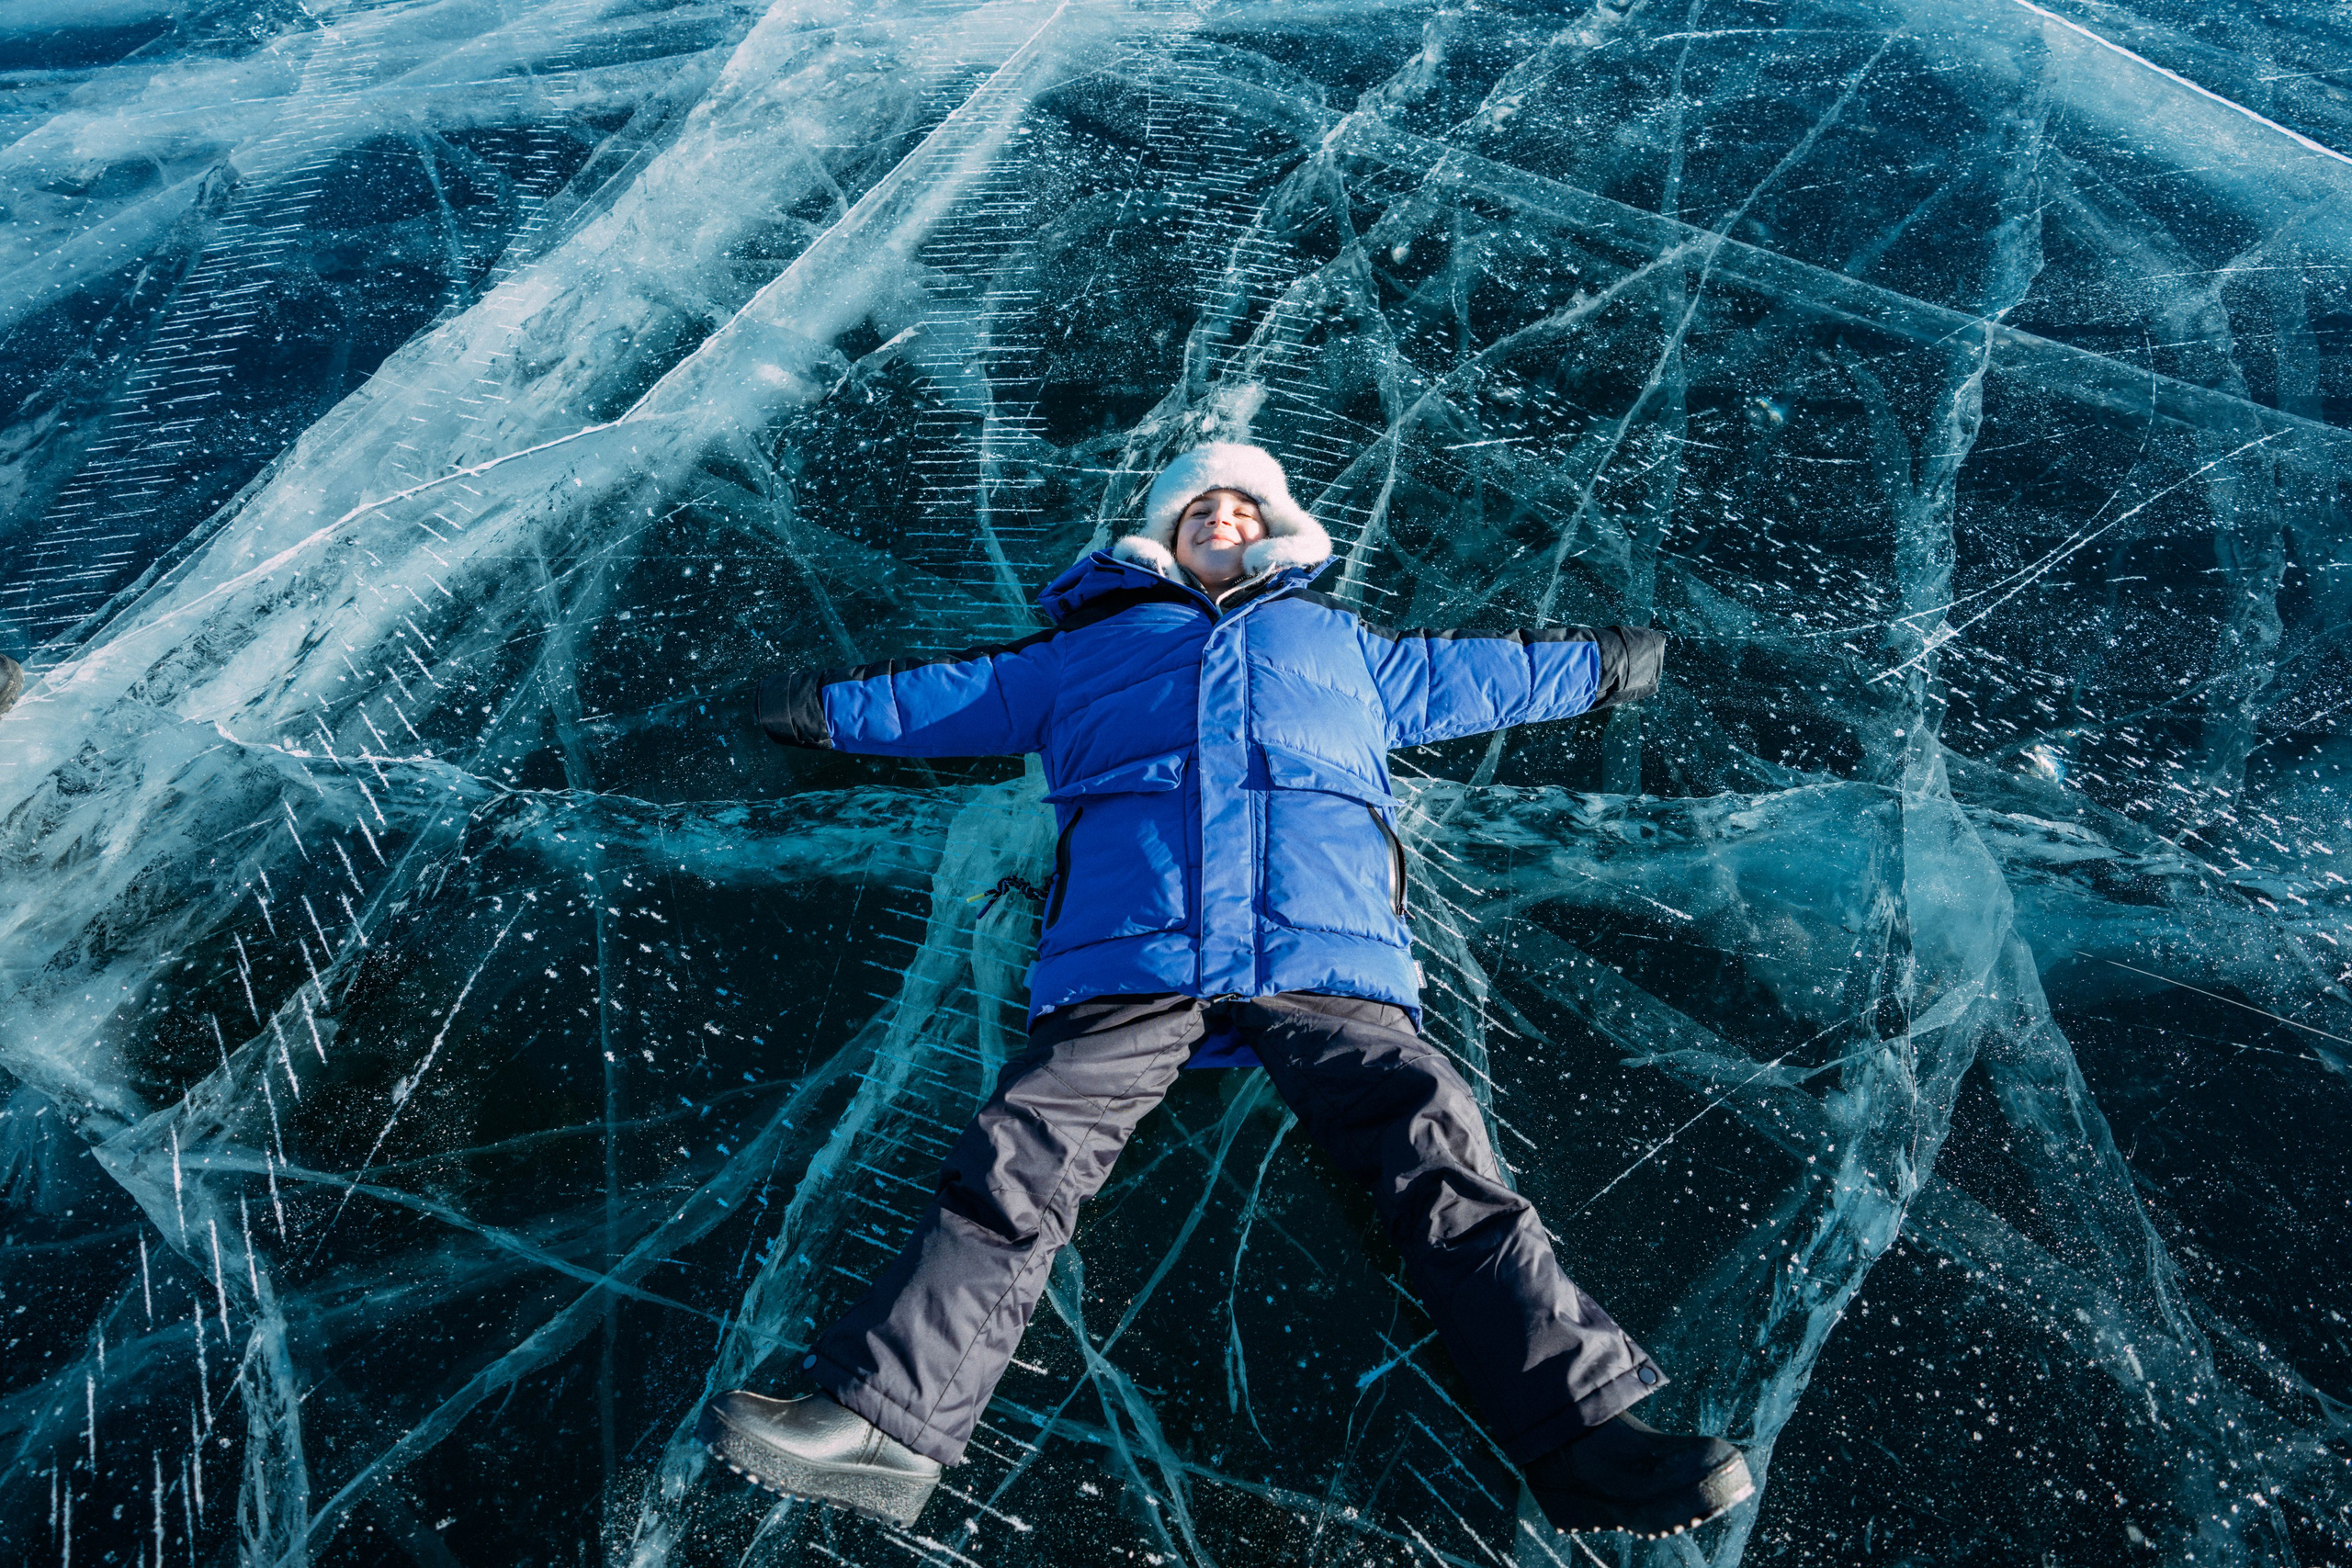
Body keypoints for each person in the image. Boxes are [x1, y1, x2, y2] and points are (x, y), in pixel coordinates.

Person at [702, 443, 1751, 1540]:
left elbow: (1486, 675)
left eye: (1243, 508)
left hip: (1323, 957)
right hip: (1132, 956)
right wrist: (811, 706)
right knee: (1018, 1159)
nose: (1221, 519)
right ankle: (884, 1424)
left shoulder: (1338, 644)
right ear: (1161, 535)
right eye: (1198, 507)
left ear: (1278, 533)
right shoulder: (1086, 653)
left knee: (1438, 1157)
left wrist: (1606, 663)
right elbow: (946, 698)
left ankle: (1587, 1437)